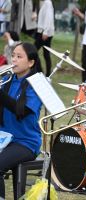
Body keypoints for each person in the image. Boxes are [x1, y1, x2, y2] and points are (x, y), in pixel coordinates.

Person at [0, 42, 42, 199]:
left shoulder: (36, 84)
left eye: (19, 57)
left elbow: (21, 111)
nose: (14, 60)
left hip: (25, 142)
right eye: (13, 56)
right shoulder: (7, 80)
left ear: (31, 62)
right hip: (4, 138)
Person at [34, 0, 54, 77]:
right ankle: (47, 74)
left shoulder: (47, 2)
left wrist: (45, 31)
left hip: (44, 32)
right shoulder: (44, 3)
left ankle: (41, 72)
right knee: (46, 54)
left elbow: (49, 18)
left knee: (33, 51)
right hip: (43, 31)